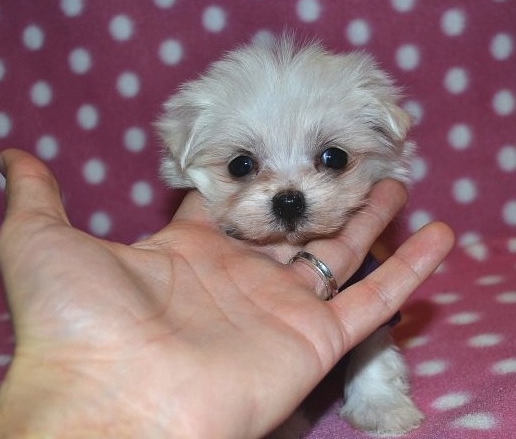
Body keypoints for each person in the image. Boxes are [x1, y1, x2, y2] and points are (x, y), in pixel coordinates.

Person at [0, 149, 454, 438]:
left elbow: (372, 321)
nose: (288, 194)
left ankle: (372, 386)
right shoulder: (192, 276)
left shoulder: (351, 259)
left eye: (331, 159)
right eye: (243, 166)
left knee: (368, 312)